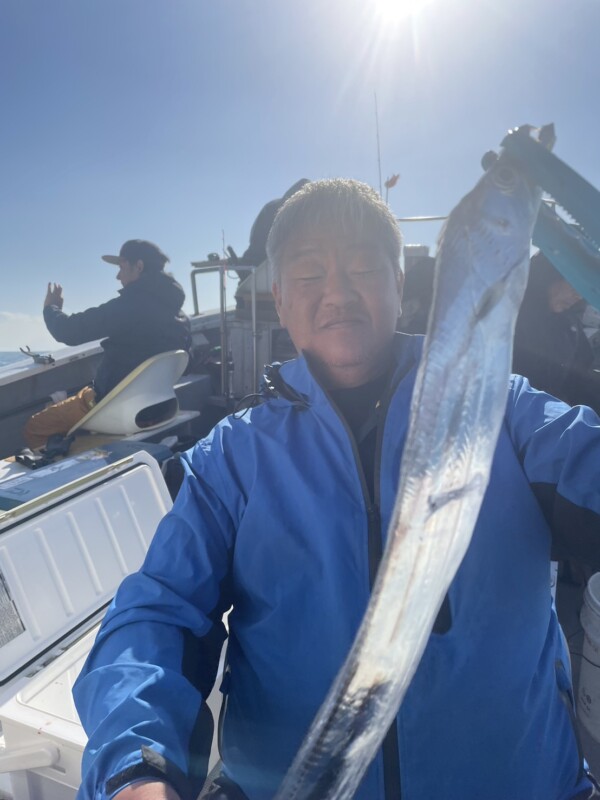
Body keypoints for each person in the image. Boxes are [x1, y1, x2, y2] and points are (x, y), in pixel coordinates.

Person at [73, 180, 600, 800]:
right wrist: (137, 766)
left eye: (362, 268)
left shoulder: (504, 414)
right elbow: (157, 613)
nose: (338, 293)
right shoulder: (233, 458)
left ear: (400, 285)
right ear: (280, 300)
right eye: (309, 274)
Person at [23, 240, 191, 449]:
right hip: (159, 408)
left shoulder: (130, 306)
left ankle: (71, 468)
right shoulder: (180, 316)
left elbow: (69, 331)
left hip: (111, 406)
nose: (118, 276)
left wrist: (51, 309)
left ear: (138, 266)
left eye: (121, 268)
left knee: (36, 426)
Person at [513, 251, 600, 413]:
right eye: (574, 283)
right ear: (549, 275)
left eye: (583, 288)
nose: (578, 295)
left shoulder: (569, 325)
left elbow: (580, 377)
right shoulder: (510, 318)